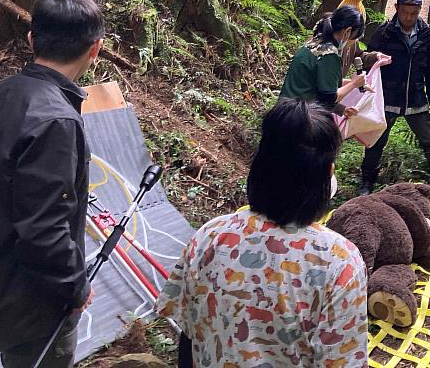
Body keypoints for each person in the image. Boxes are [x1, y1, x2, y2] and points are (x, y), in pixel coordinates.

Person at [156, 98, 368, 367]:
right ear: (328, 173)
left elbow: (189, 338)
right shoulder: (339, 262)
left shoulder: (211, 235)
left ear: (261, 164)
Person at [0, 0, 104, 368]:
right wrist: (75, 286)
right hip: (30, 301)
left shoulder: (6, 92)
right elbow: (44, 228)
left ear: (31, 39)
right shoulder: (57, 121)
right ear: (96, 49)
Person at [358, 0, 430, 198]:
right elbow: (368, 65)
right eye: (405, 12)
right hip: (388, 98)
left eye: (414, 13)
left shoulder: (427, 35)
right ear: (397, 9)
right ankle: (366, 182)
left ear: (419, 11)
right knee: (376, 141)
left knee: (429, 140)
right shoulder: (384, 33)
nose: (409, 17)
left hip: (416, 98)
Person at [280, 6, 367, 116]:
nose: (352, 44)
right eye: (355, 39)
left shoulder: (314, 42)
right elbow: (328, 99)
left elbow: (317, 82)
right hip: (300, 116)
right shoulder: (329, 55)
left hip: (284, 110)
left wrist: (353, 82)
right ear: (348, 32)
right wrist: (354, 84)